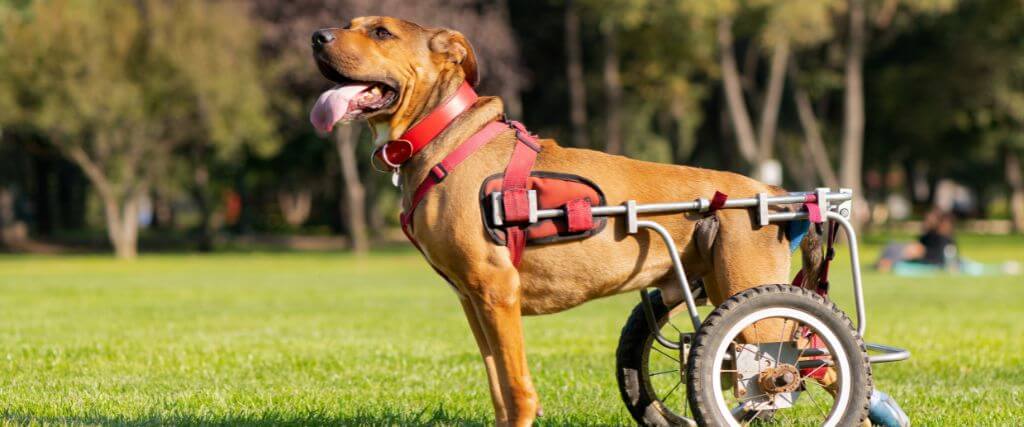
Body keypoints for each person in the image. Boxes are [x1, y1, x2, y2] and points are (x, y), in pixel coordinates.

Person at [876, 210, 958, 273]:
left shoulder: (943, 238)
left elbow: (939, 256)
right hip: (921, 254)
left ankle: (887, 263)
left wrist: (921, 251)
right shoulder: (930, 235)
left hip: (927, 258)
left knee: (903, 249)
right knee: (893, 245)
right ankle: (885, 262)